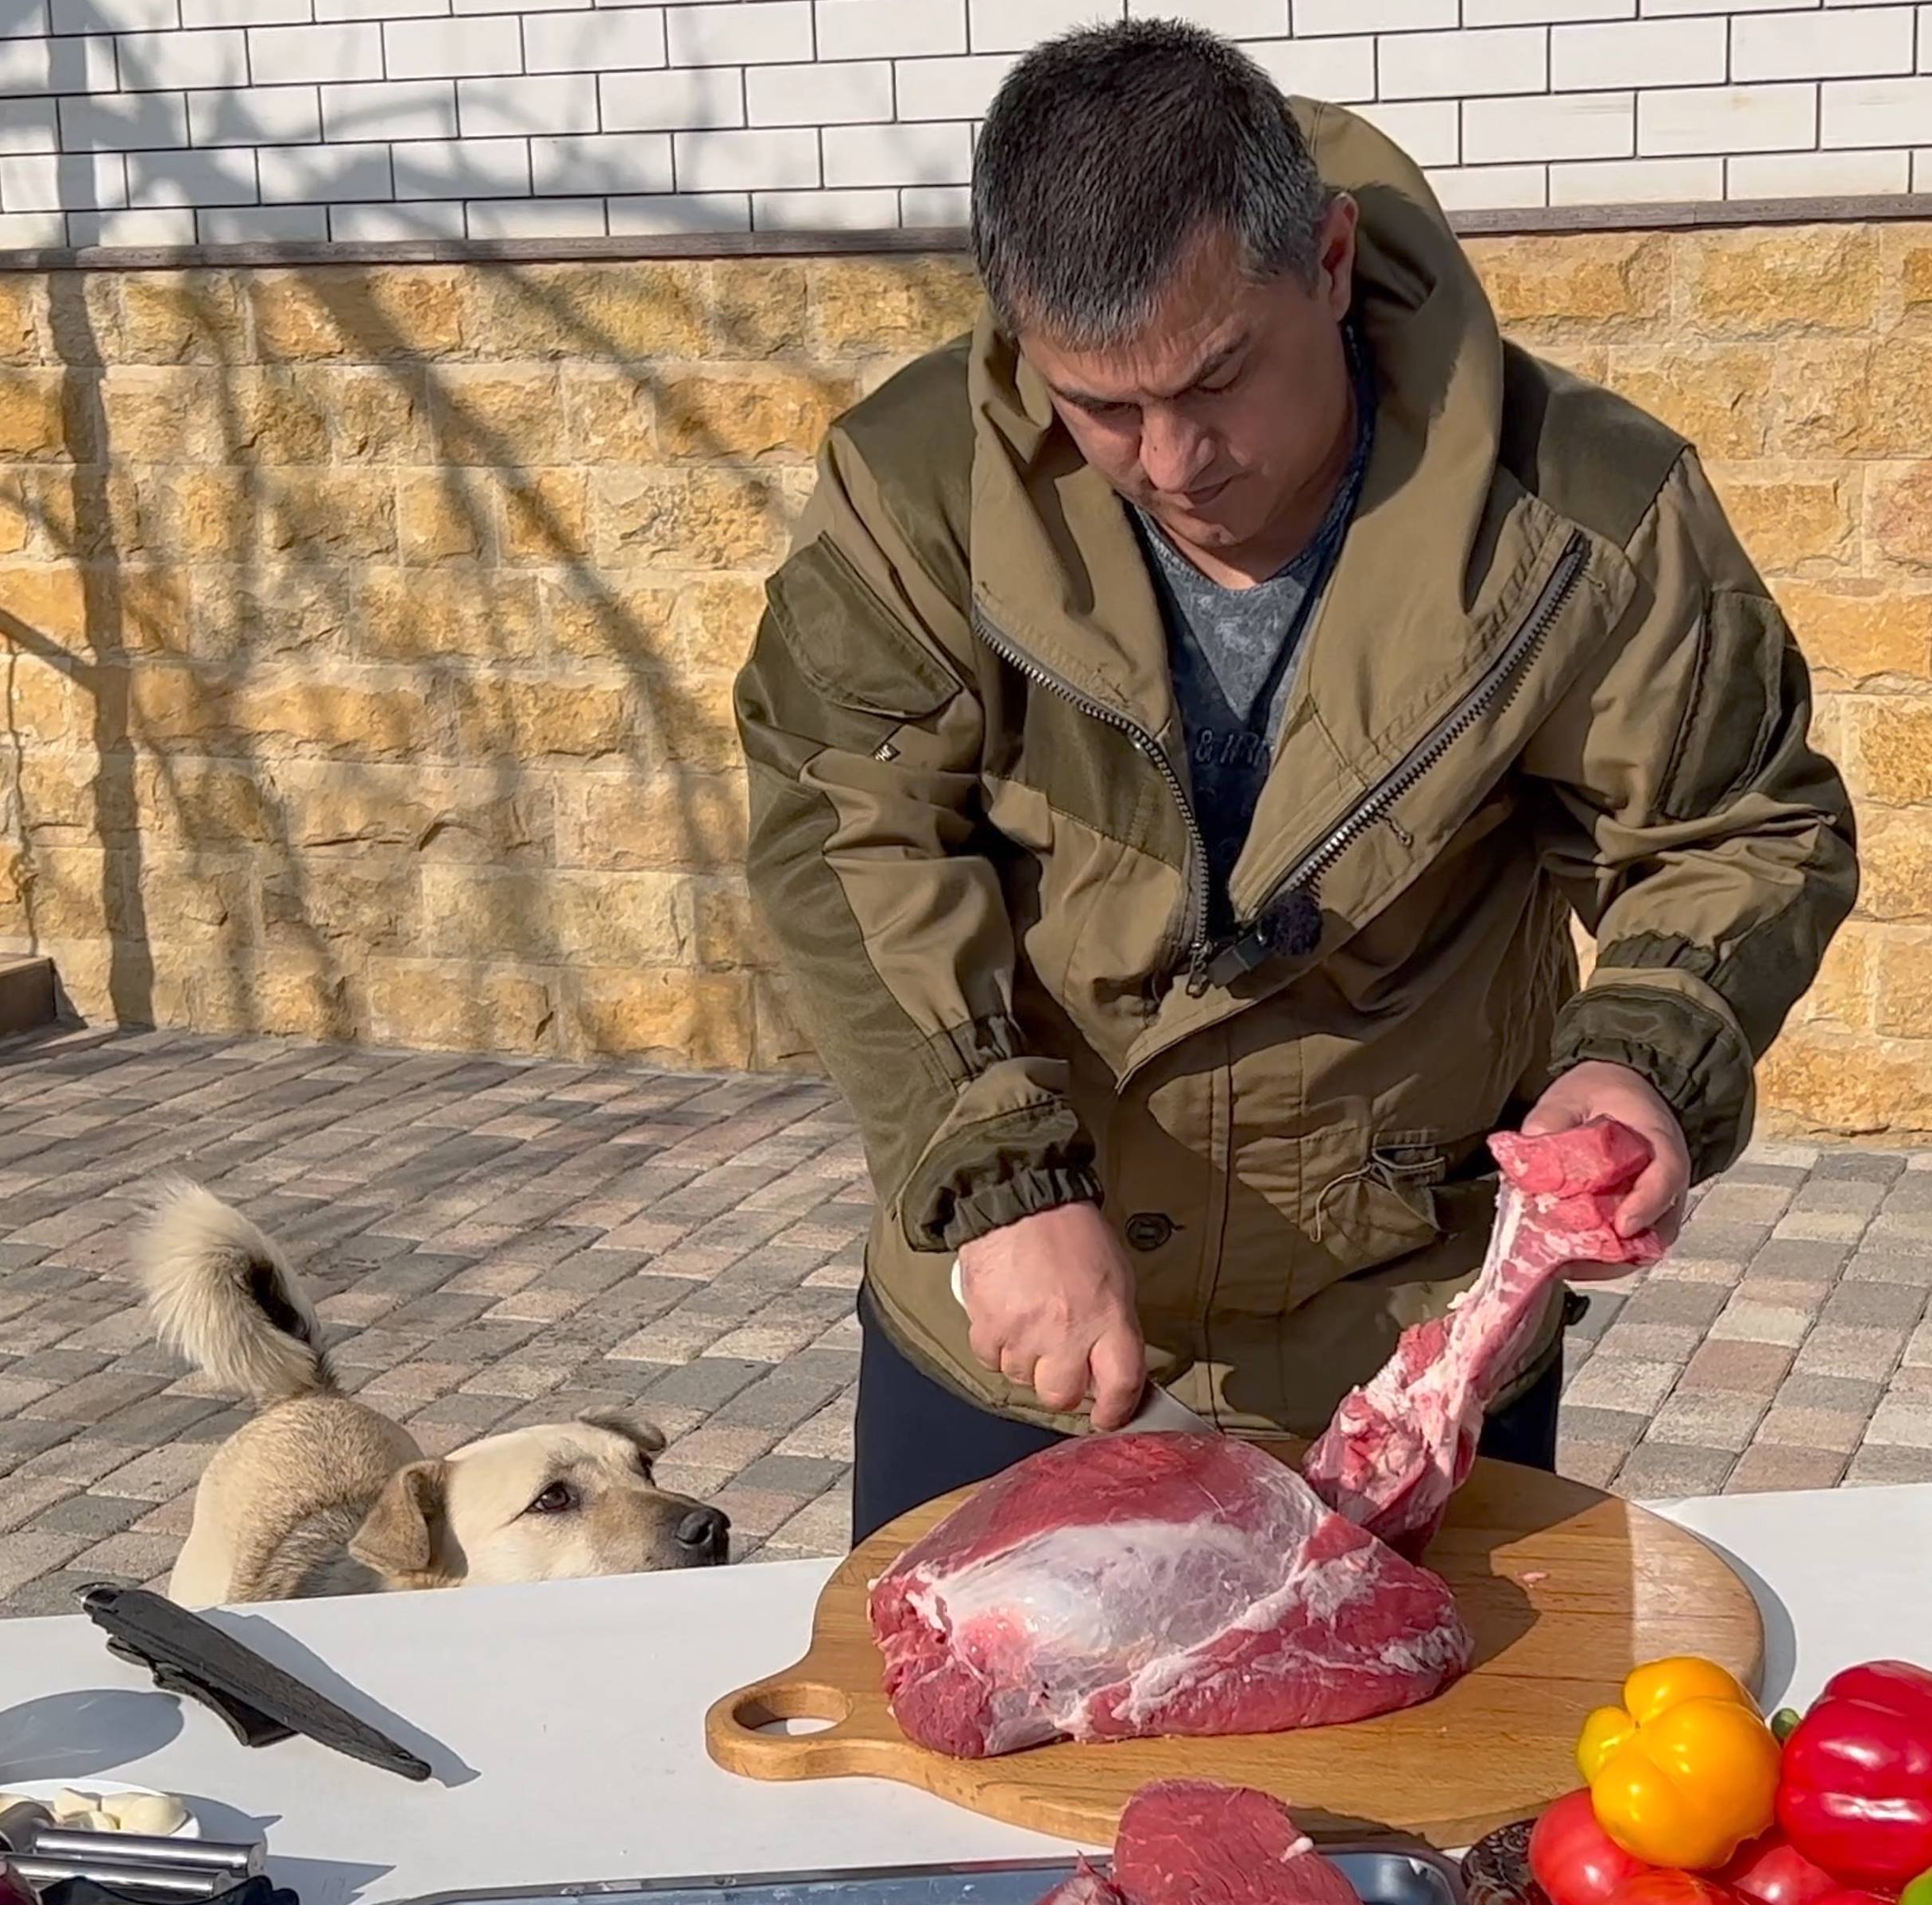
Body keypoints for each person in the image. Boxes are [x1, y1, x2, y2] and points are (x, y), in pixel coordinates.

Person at [735, 23, 1858, 1543]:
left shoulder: (1586, 507)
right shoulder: (915, 485)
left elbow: (1734, 827)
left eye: (1220, 377)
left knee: (1408, 1766)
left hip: (1403, 1329)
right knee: (951, 1757)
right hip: (1016, 1309)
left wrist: (1645, 1051)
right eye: (1100, 407)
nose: (1175, 459)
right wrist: (988, 1163)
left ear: (1328, 260)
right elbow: (843, 821)